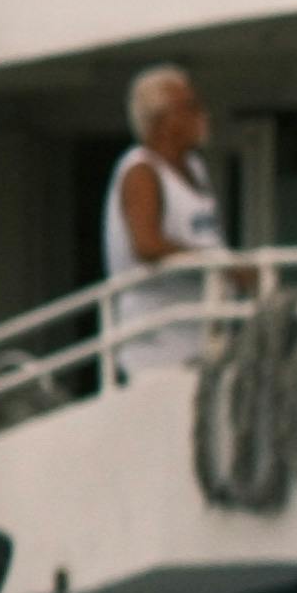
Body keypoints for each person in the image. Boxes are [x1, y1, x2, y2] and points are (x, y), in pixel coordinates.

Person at [100, 65, 230, 375]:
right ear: (163, 121)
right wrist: (218, 265)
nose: (203, 115)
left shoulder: (195, 168)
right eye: (191, 107)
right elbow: (147, 245)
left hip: (201, 338)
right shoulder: (141, 171)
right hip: (156, 349)